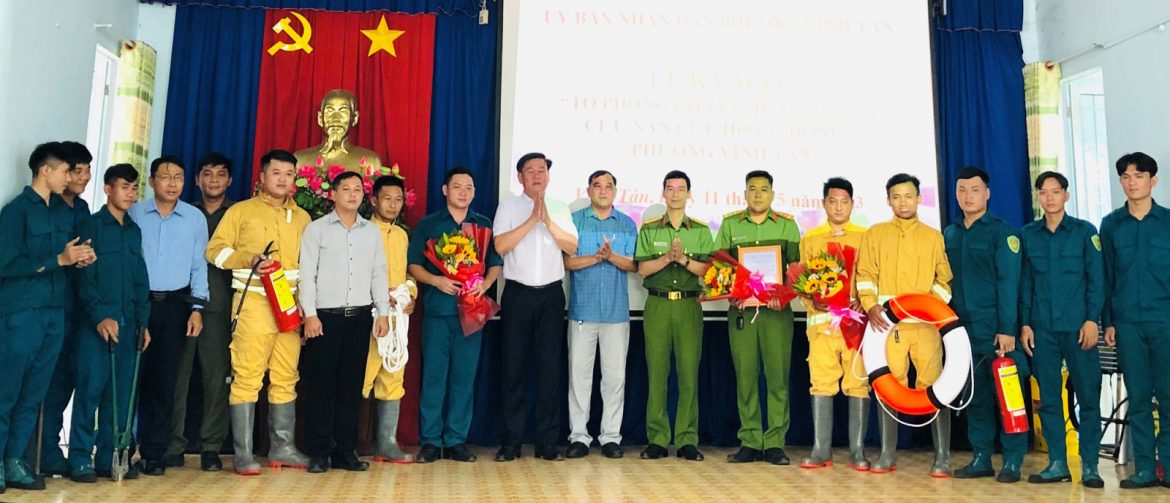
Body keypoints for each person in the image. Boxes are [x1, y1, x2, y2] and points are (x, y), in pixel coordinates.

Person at [205, 149, 312, 475]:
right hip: (253, 304)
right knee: (247, 376)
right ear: (262, 177)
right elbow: (214, 252)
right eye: (276, 173)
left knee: (286, 376)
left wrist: (307, 305)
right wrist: (248, 258)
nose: (282, 179)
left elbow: (310, 267)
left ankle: (283, 448)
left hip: (290, 308)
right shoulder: (241, 211)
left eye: (289, 174)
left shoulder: (303, 218)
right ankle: (244, 454)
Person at [0, 142, 96, 493]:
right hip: (21, 313)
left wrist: (79, 258)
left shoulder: (61, 211)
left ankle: (15, 461)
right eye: (66, 171)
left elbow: (65, 256)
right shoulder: (17, 211)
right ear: (46, 170)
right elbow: (6, 264)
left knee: (33, 394)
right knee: (6, 392)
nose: (70, 178)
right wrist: (58, 260)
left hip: (56, 313)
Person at [856, 173, 953, 477]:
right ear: (888, 200)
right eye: (896, 197)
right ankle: (887, 454)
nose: (903, 202)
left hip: (926, 328)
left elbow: (944, 280)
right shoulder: (876, 234)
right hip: (888, 327)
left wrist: (930, 307)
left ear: (919, 199)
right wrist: (871, 305)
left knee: (935, 386)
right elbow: (865, 276)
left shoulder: (933, 236)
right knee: (889, 386)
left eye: (909, 196)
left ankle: (942, 456)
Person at [407, 167, 503, 463]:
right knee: (434, 377)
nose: (463, 192)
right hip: (438, 311)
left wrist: (484, 285)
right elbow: (413, 265)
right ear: (445, 190)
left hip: (472, 313)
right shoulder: (429, 224)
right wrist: (436, 281)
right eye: (457, 186)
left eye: (469, 187)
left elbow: (495, 263)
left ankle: (456, 440)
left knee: (464, 379)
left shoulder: (483, 224)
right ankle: (431, 441)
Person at [299, 171, 391, 473]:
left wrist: (382, 312)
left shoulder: (371, 232)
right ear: (333, 194)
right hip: (324, 318)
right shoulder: (316, 230)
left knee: (351, 387)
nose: (353, 194)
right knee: (320, 386)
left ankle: (345, 450)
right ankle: (318, 451)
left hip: (359, 318)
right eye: (346, 189)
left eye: (358, 190)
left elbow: (379, 272)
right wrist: (310, 314)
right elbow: (307, 275)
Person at [943, 167, 1030, 484]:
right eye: (962, 190)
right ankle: (981, 457)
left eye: (975, 189)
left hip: (997, 331)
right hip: (963, 331)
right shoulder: (950, 234)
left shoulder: (1003, 233)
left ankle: (1013, 460)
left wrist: (1007, 328)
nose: (968, 196)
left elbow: (1009, 283)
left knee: (1009, 396)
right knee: (975, 396)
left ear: (987, 193)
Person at [1019, 171, 1104, 488]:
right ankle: (1057, 463)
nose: (1050, 198)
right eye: (1043, 192)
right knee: (1049, 399)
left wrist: (1092, 320)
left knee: (1088, 396)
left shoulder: (1085, 232)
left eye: (1056, 192)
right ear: (1038, 196)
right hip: (1043, 330)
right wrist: (1025, 323)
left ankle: (1090, 464)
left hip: (1079, 328)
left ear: (1066, 195)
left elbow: (1097, 279)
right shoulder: (1028, 235)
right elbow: (1025, 284)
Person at [68, 164, 150, 483]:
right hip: (96, 327)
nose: (130, 194)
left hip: (129, 327)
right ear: (108, 189)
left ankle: (110, 458)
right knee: (89, 392)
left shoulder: (134, 230)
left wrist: (144, 323)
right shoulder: (91, 226)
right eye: (124, 187)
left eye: (133, 188)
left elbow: (140, 279)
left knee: (120, 397)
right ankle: (79, 459)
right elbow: (84, 280)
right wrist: (99, 316)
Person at [493, 153, 578, 462]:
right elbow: (501, 246)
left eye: (542, 170)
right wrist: (531, 220)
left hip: (551, 297)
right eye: (530, 171)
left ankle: (548, 442)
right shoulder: (508, 207)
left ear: (548, 176)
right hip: (518, 296)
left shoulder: (560, 207)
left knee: (550, 370)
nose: (537, 175)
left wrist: (547, 221)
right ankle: (511, 442)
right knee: (513, 370)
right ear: (520, 177)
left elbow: (571, 246)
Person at [128, 156, 209, 476]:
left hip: (175, 306)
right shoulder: (135, 213)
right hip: (138, 304)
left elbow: (199, 265)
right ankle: (120, 449)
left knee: (164, 382)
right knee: (131, 379)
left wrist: (197, 309)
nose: (173, 183)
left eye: (178, 177)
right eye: (165, 177)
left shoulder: (194, 218)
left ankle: (154, 453)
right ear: (151, 181)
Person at [714, 170, 800, 465]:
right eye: (752, 189)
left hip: (776, 313)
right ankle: (750, 440)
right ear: (745, 193)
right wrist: (730, 292)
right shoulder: (730, 224)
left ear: (772, 194)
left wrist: (783, 296)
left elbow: (796, 271)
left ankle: (774, 442)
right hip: (742, 312)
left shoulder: (787, 225)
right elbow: (719, 268)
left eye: (764, 189)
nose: (758, 194)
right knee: (746, 378)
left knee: (777, 378)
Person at [1100, 153, 1169, 489]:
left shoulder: (1167, 222)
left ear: (1153, 180)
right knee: (1139, 398)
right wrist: (1109, 322)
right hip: (1127, 324)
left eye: (1139, 176)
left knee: (1168, 397)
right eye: (1126, 177)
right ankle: (1144, 469)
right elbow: (1106, 276)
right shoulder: (1111, 224)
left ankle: (1167, 466)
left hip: (1165, 321)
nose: (1132, 182)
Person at [634, 170, 713, 462]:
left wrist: (684, 260)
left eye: (681, 189)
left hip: (688, 306)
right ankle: (657, 439)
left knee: (688, 374)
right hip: (658, 305)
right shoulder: (650, 229)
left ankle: (686, 439)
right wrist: (667, 258)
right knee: (657, 374)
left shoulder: (701, 231)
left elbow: (709, 271)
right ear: (663, 193)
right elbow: (642, 269)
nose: (676, 194)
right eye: (670, 188)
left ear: (689, 194)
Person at [165, 152, 235, 471]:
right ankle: (173, 445)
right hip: (181, 305)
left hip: (219, 307)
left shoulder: (238, 215)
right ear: (196, 179)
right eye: (207, 173)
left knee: (216, 379)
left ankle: (211, 446)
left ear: (229, 180)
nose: (214, 180)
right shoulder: (182, 213)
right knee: (177, 377)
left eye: (220, 174)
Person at [563, 170, 637, 460]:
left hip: (616, 314)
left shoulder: (627, 224)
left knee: (615, 379)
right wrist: (596, 257)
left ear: (615, 192)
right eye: (597, 186)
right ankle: (579, 437)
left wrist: (611, 257)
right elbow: (567, 262)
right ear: (588, 190)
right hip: (582, 311)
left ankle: (610, 437)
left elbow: (633, 265)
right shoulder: (575, 221)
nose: (603, 190)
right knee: (578, 378)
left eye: (608, 186)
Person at [798, 177, 871, 470]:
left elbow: (871, 276)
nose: (838, 207)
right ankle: (820, 450)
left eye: (844, 202)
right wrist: (811, 300)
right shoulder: (811, 238)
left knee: (858, 382)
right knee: (821, 382)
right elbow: (802, 280)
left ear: (852, 204)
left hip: (855, 323)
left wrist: (863, 301)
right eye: (833, 201)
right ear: (824, 203)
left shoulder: (866, 236)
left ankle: (857, 451)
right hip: (822, 324)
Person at [37, 140, 95, 477]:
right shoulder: (49, 206)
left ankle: (53, 450)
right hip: (51, 304)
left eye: (88, 170)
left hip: (79, 305)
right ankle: (38, 452)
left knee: (68, 380)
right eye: (77, 170)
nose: (84, 177)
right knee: (46, 381)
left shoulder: (83, 208)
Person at [363, 175, 417, 463]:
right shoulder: (361, 232)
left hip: (396, 319)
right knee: (361, 375)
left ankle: (387, 443)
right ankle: (351, 442)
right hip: (368, 316)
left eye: (398, 199)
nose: (393, 205)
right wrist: (380, 296)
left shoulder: (401, 235)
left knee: (393, 375)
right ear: (373, 200)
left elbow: (407, 275)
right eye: (387, 198)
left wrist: (409, 295)